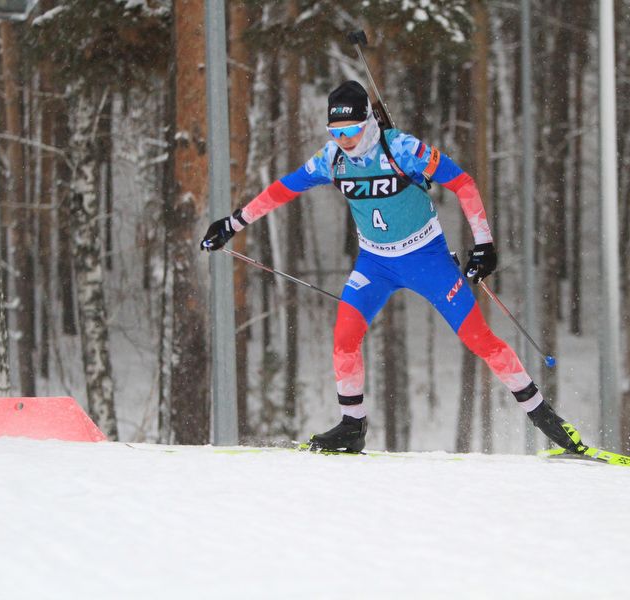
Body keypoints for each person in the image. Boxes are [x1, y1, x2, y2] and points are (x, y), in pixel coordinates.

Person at [201, 80, 586, 454]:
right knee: (344, 338)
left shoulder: (402, 148)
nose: (345, 140)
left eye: (351, 129)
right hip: (375, 263)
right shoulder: (331, 159)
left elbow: (463, 183)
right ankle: (352, 426)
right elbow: (283, 189)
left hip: (426, 258)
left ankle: (548, 421)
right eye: (335, 132)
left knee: (480, 339)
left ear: (368, 120)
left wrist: (484, 244)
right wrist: (232, 224)